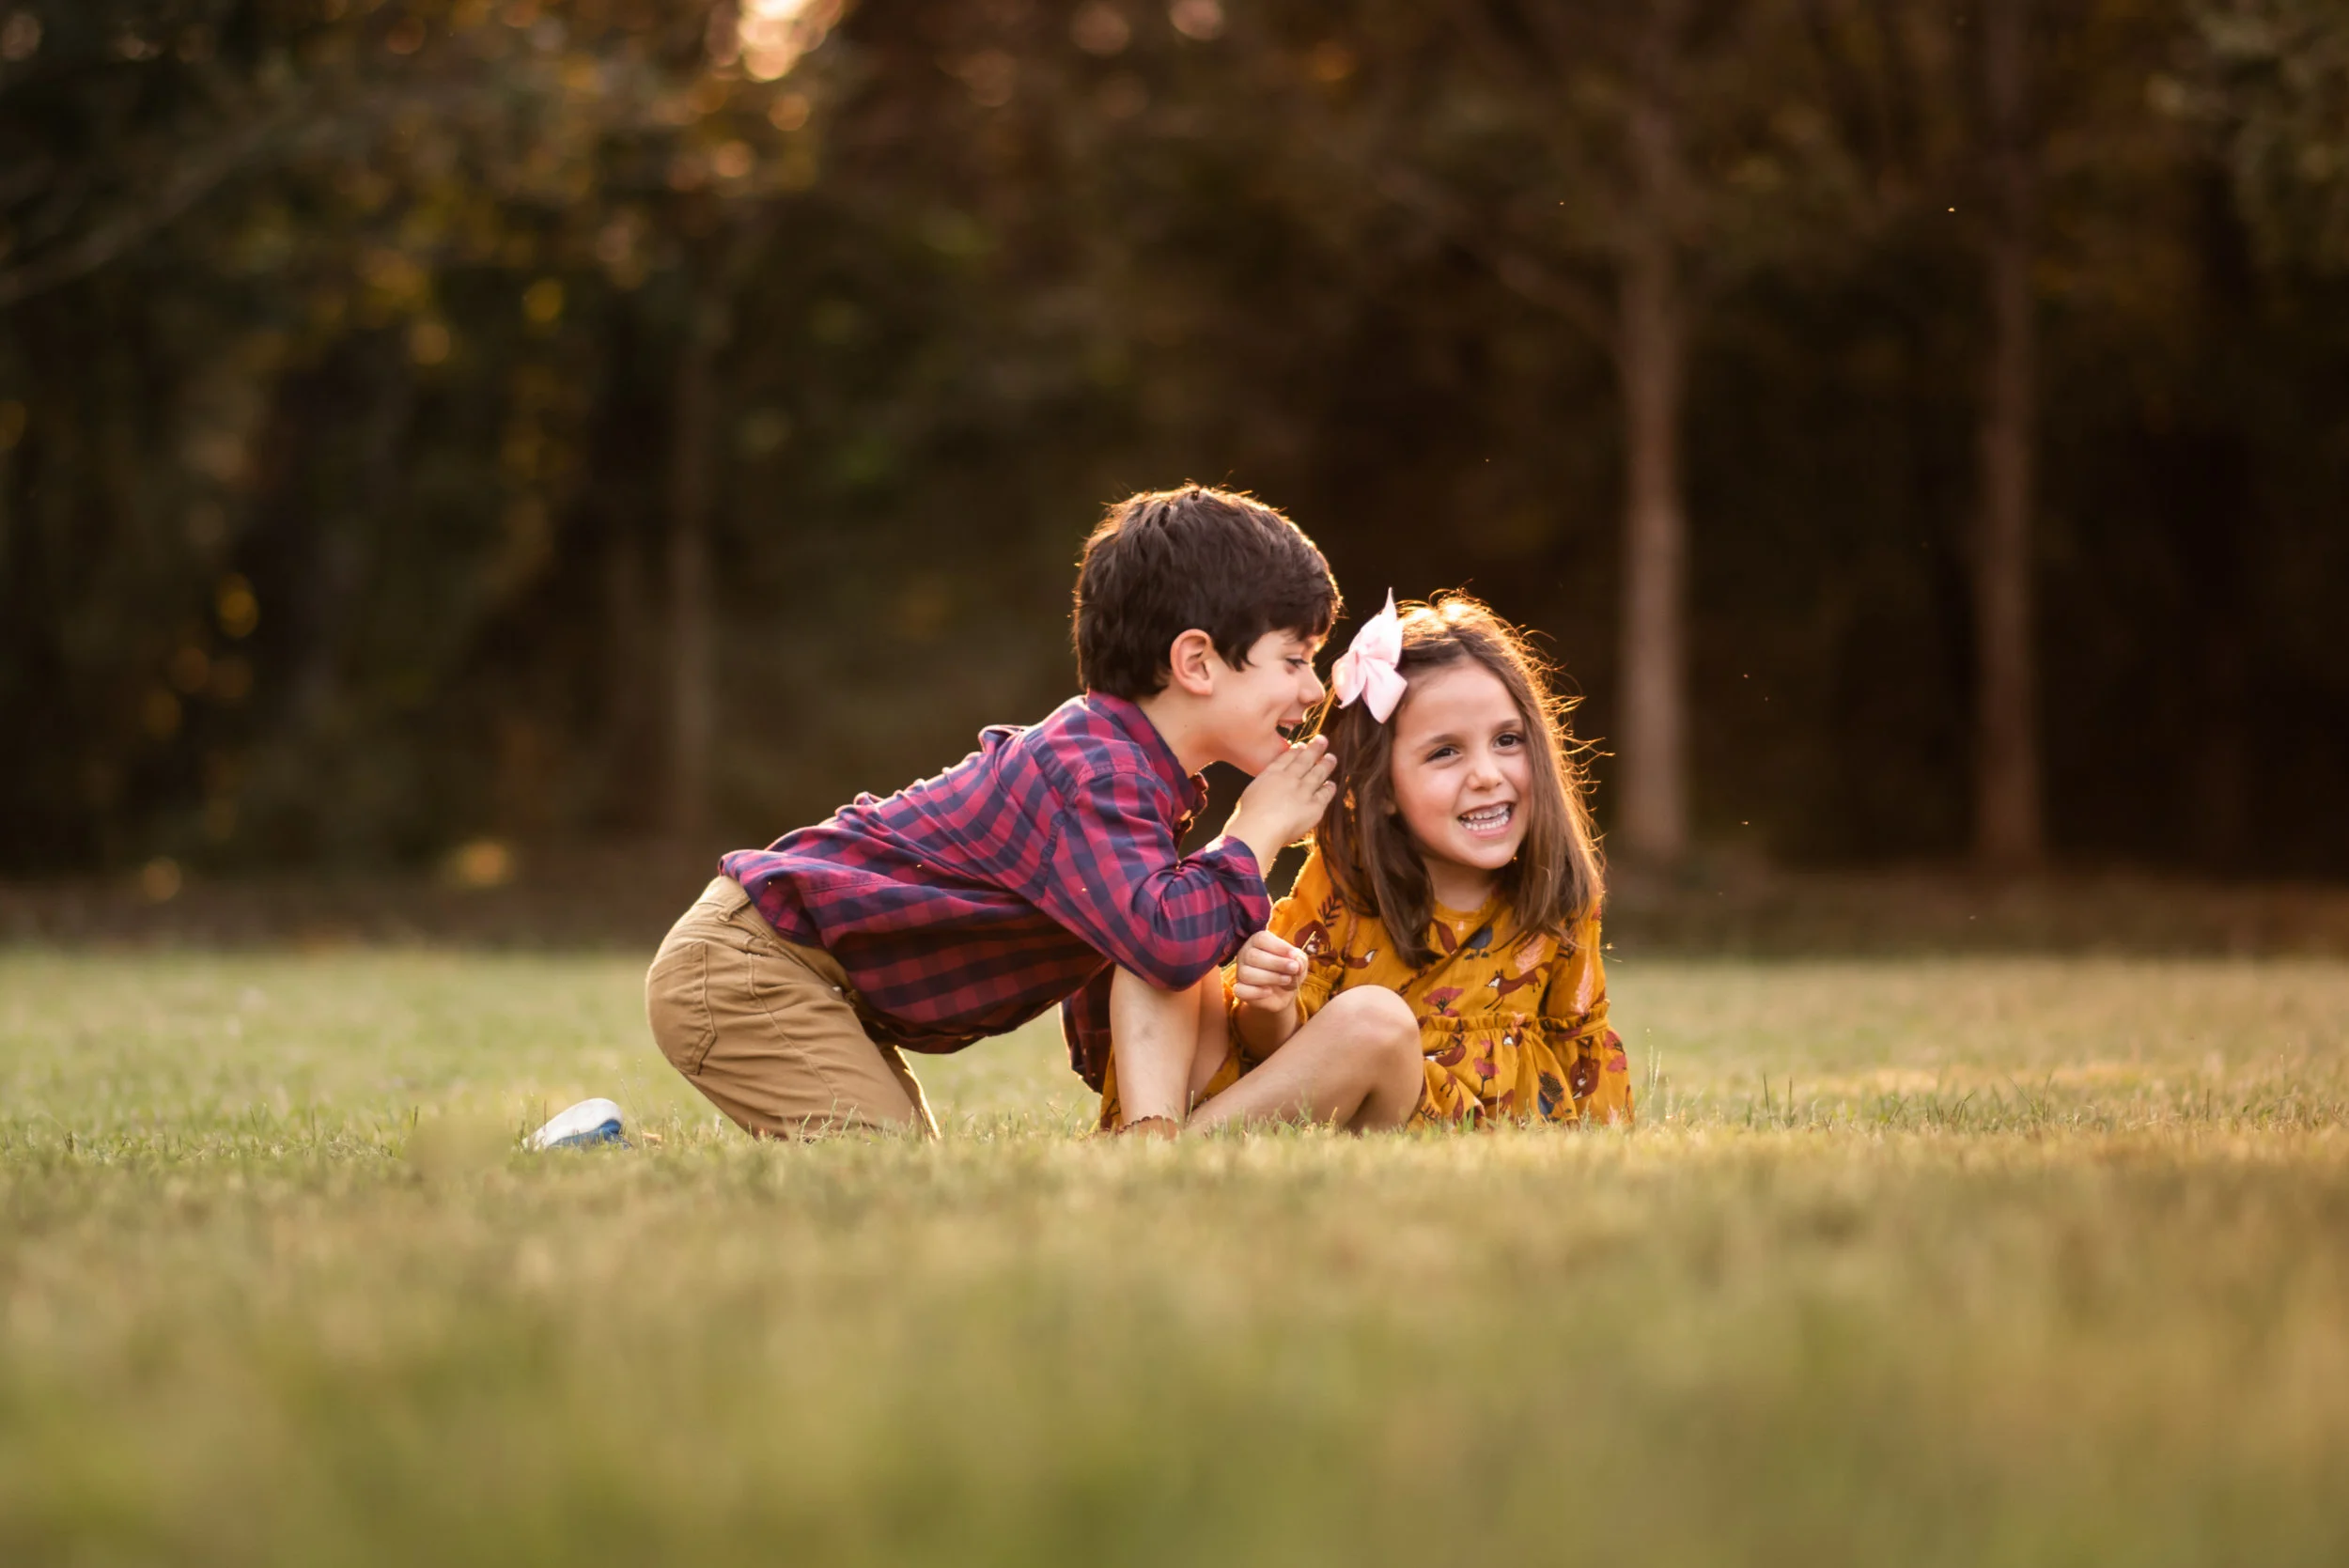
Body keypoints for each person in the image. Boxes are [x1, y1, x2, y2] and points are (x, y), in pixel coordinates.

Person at [645, 484, 1357, 1139]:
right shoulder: (1095, 772)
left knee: (894, 1165)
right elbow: (1164, 941)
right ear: (1196, 662)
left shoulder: (1130, 774)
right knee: (881, 1176)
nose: (1311, 689)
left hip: (804, 979)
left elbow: (1121, 962)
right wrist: (1254, 832)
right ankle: (602, 1145)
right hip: (750, 968)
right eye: (1294, 660)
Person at [1097, 592, 1633, 1133]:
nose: (1487, 775)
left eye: (1507, 740)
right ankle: (1150, 1130)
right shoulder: (1345, 879)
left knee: (1375, 1022)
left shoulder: (1556, 896)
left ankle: (1179, 1151)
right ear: (1384, 790)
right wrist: (1272, 1003)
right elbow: (1276, 1045)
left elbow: (1581, 1046)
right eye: (1445, 752)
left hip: (1428, 1122)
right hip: (1287, 1107)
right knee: (1168, 937)